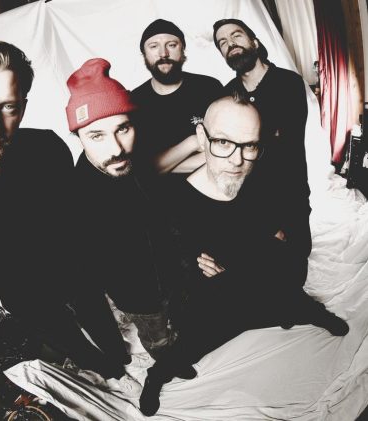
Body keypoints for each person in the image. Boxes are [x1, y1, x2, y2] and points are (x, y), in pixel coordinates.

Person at [0, 42, 130, 380]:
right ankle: (105, 369)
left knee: (98, 315)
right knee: (70, 341)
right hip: (24, 294)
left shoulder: (47, 148)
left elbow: (73, 212)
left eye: (8, 107)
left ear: (23, 107)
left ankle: (120, 356)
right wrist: (9, 262)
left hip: (76, 268)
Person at [138, 94, 349, 416]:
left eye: (249, 145)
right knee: (189, 345)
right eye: (223, 142)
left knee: (291, 299)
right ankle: (156, 376)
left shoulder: (264, 180)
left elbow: (284, 255)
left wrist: (239, 266)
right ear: (201, 138)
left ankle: (310, 312)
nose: (237, 160)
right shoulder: (173, 202)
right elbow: (183, 284)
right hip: (212, 305)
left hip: (255, 288)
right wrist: (246, 259)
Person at [66, 58, 179, 361]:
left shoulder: (135, 160)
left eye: (123, 129)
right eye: (97, 135)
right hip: (138, 298)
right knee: (158, 339)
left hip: (172, 275)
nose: (116, 149)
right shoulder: (77, 198)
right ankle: (167, 360)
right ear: (78, 136)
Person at [212, 18, 312, 285]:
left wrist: (240, 141)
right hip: (247, 199)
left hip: (289, 193)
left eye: (236, 35)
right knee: (259, 270)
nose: (230, 44)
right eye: (223, 42)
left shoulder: (288, 82)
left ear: (254, 42)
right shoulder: (227, 94)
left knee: (295, 265)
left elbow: (285, 143)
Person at [131, 19, 224, 176]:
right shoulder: (134, 101)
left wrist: (162, 165)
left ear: (182, 49)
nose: (163, 53)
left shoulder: (209, 87)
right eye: (154, 46)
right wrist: (192, 142)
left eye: (172, 45)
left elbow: (228, 150)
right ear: (144, 54)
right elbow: (141, 168)